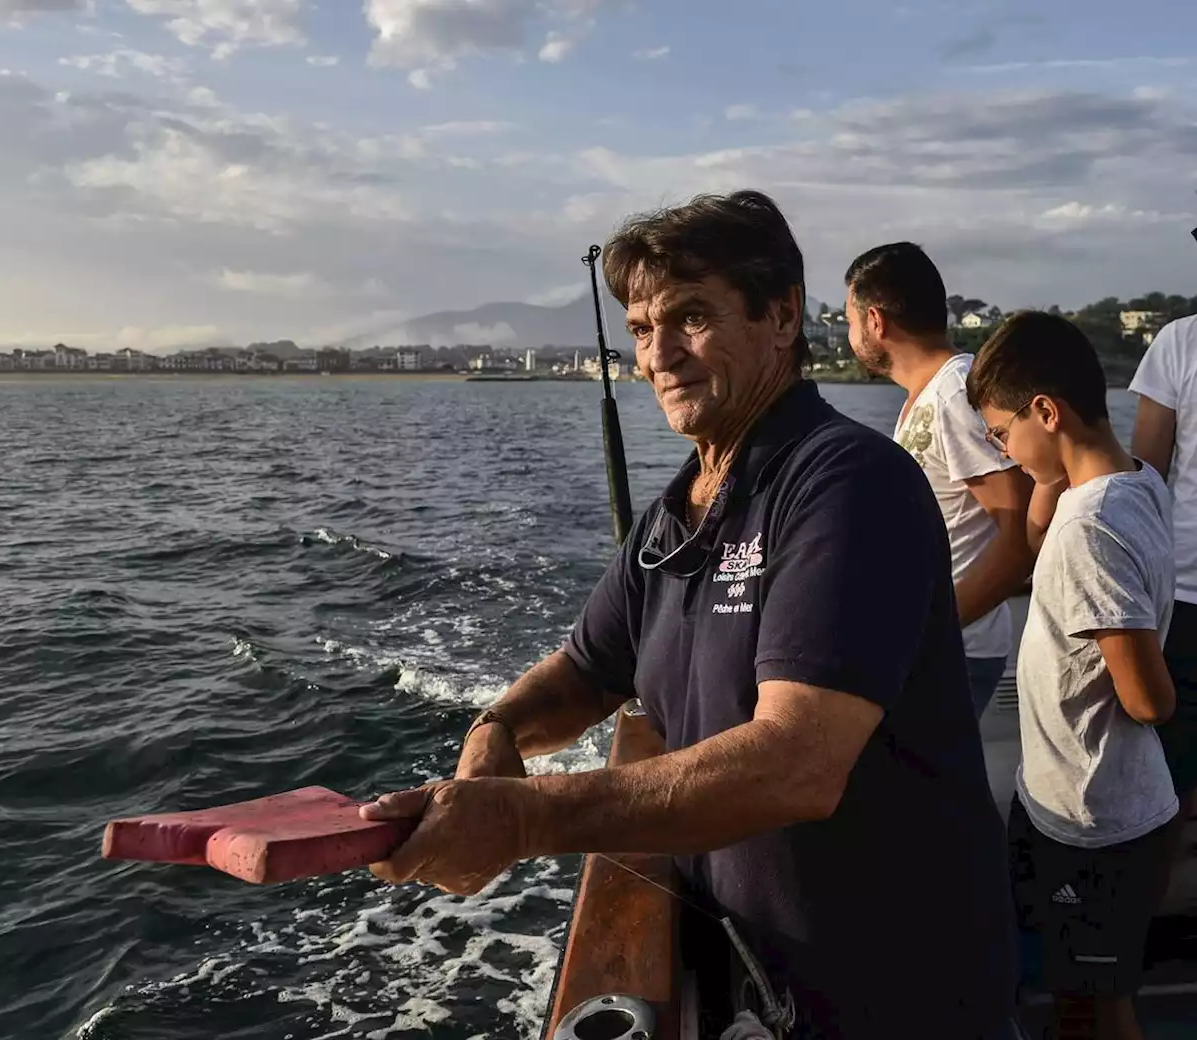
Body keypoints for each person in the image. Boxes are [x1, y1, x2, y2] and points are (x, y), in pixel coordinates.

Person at [361, 190, 1019, 1040]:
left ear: (782, 318)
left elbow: (798, 761)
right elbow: (588, 668)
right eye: (640, 328)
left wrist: (526, 819)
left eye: (692, 317)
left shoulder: (849, 483)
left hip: (901, 997)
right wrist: (501, 727)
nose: (659, 354)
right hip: (758, 980)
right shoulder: (679, 512)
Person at [966, 311, 1177, 1040]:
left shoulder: (1091, 528)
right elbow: (1035, 541)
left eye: (1000, 431)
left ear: (1046, 412)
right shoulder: (1139, 480)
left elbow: (1148, 699)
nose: (999, 448)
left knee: (1097, 1010)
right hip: (1067, 801)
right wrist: (1042, 476)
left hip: (1099, 820)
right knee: (1072, 996)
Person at [844, 242, 1034, 719]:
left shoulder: (955, 394)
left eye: (849, 321)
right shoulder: (931, 395)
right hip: (930, 647)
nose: (851, 335)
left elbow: (1021, 534)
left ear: (875, 321)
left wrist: (937, 628)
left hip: (953, 652)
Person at [1129, 312, 1197, 902]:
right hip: (1185, 585)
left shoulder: (1182, 340)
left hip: (1185, 588)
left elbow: (1145, 471)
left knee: (1171, 763)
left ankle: (1146, 912)